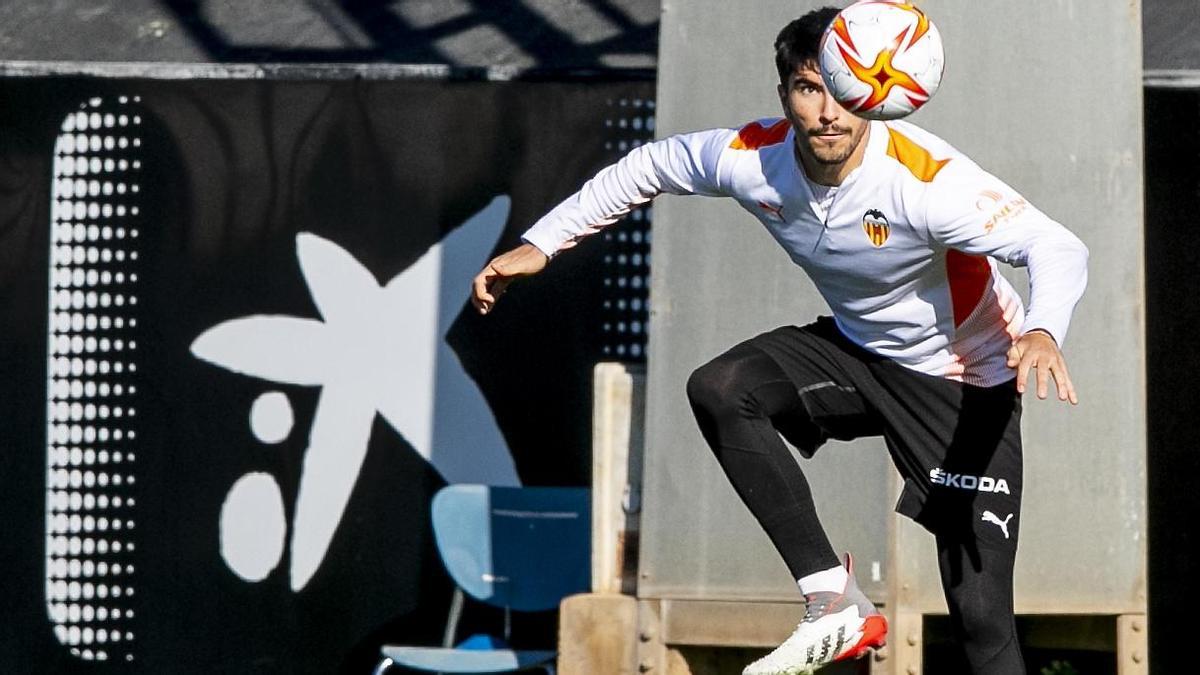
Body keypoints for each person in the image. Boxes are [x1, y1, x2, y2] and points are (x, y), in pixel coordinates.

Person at [471, 6, 1087, 674]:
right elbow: (646, 166)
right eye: (808, 88)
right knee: (720, 387)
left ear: (873, 95)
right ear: (785, 96)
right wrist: (541, 242)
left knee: (981, 619)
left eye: (842, 88)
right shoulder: (755, 160)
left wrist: (1044, 327)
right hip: (859, 355)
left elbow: (1054, 244)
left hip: (966, 379)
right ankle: (833, 598)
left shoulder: (923, 179)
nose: (828, 112)